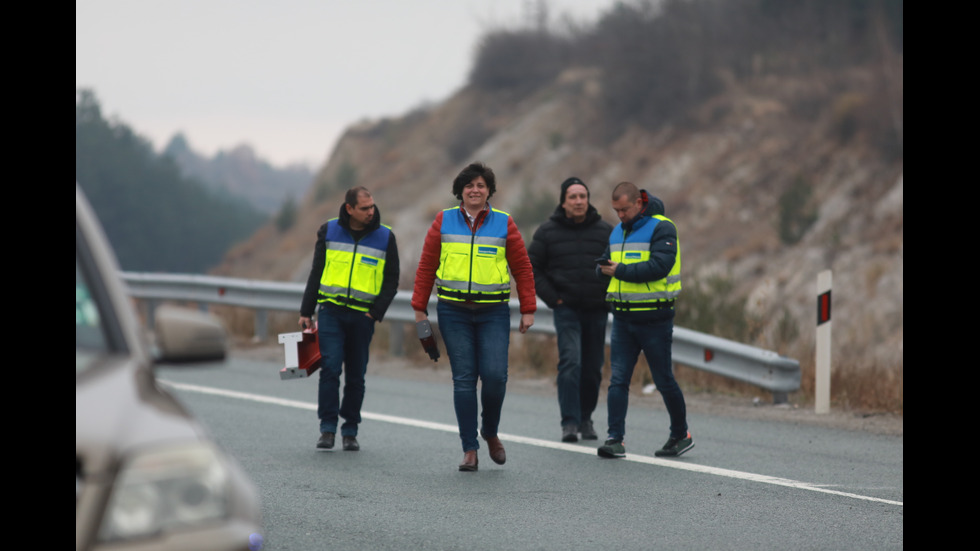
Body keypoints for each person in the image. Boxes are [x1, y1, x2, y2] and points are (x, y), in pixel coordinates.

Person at [411, 162, 536, 472]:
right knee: (464, 380)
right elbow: (427, 265)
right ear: (460, 191)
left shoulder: (504, 223)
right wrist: (419, 306)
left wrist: (528, 308)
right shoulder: (443, 220)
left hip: (494, 311)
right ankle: (469, 448)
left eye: (481, 185)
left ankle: (490, 431)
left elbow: (522, 268)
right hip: (453, 311)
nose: (475, 190)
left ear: (489, 191)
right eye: (469, 185)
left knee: (495, 377)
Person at [596, 181, 693, 459]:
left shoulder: (663, 227)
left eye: (625, 209)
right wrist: (600, 270)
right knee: (618, 381)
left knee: (663, 380)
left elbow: (659, 267)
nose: (620, 215)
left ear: (640, 202)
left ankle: (680, 434)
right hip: (623, 319)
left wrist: (619, 271)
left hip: (655, 318)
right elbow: (606, 267)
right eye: (616, 210)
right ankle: (615, 439)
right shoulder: (617, 232)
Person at [299, 186, 400, 452]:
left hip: (362, 317)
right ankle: (328, 428)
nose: (371, 212)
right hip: (331, 311)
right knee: (330, 368)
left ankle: (350, 430)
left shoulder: (385, 237)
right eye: (365, 208)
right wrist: (305, 311)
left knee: (356, 375)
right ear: (349, 209)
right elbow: (316, 271)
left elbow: (392, 281)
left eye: (372, 206)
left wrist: (374, 313)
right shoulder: (329, 231)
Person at [528, 177, 613, 443]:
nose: (578, 201)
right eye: (573, 197)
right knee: (571, 362)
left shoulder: (606, 231)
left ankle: (586, 419)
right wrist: (555, 299)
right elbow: (532, 268)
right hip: (566, 310)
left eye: (583, 196)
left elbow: (618, 265)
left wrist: (607, 296)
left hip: (597, 310)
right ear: (563, 202)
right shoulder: (547, 232)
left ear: (588, 200)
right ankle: (569, 422)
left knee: (592, 369)